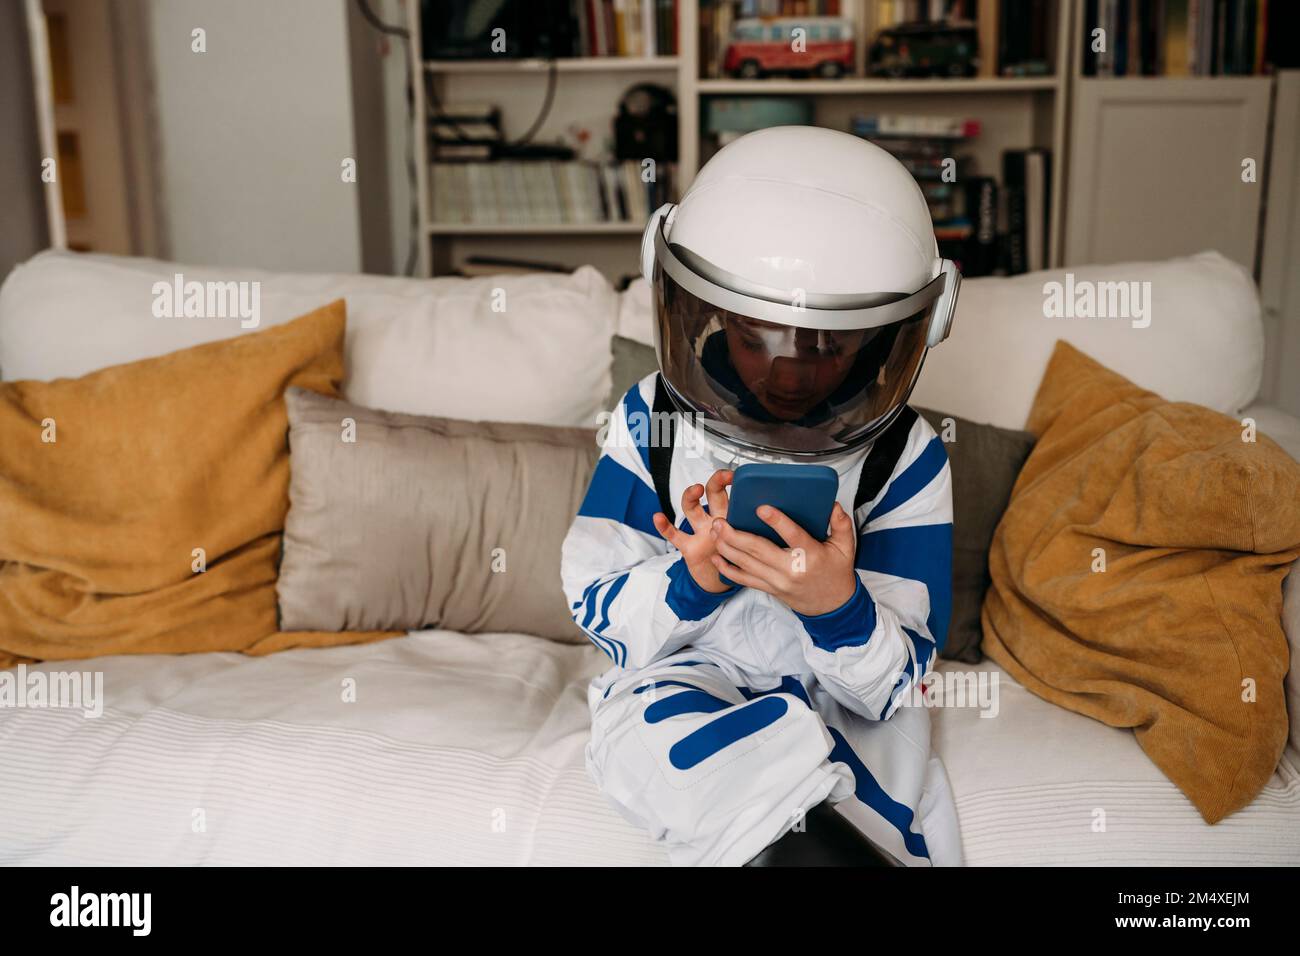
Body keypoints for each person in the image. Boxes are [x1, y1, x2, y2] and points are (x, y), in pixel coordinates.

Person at [561, 125, 963, 866]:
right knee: (649, 735)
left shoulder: (904, 458)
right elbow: (597, 606)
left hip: (837, 701)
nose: (786, 376)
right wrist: (690, 582)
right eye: (754, 338)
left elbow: (891, 684)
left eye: (825, 347)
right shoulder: (654, 422)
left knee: (862, 774)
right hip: (687, 678)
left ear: (894, 335)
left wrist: (838, 609)